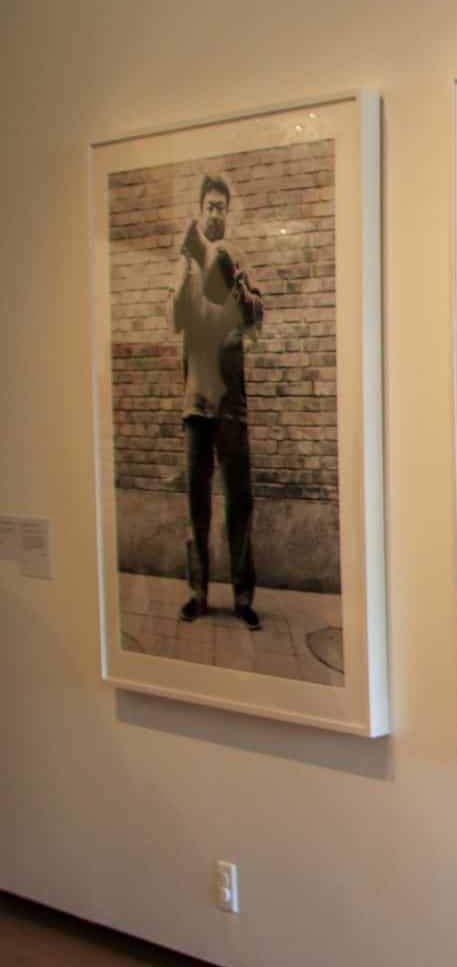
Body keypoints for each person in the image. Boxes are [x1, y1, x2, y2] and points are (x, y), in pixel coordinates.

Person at [171, 174, 265, 629]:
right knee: (197, 505)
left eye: (220, 207)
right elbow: (175, 319)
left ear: (228, 212)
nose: (214, 213)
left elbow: (255, 321)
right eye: (208, 205)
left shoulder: (236, 258)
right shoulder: (188, 262)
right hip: (196, 402)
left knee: (239, 503)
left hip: (231, 404)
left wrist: (239, 288)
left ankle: (243, 598)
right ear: (200, 209)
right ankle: (197, 594)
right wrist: (186, 270)